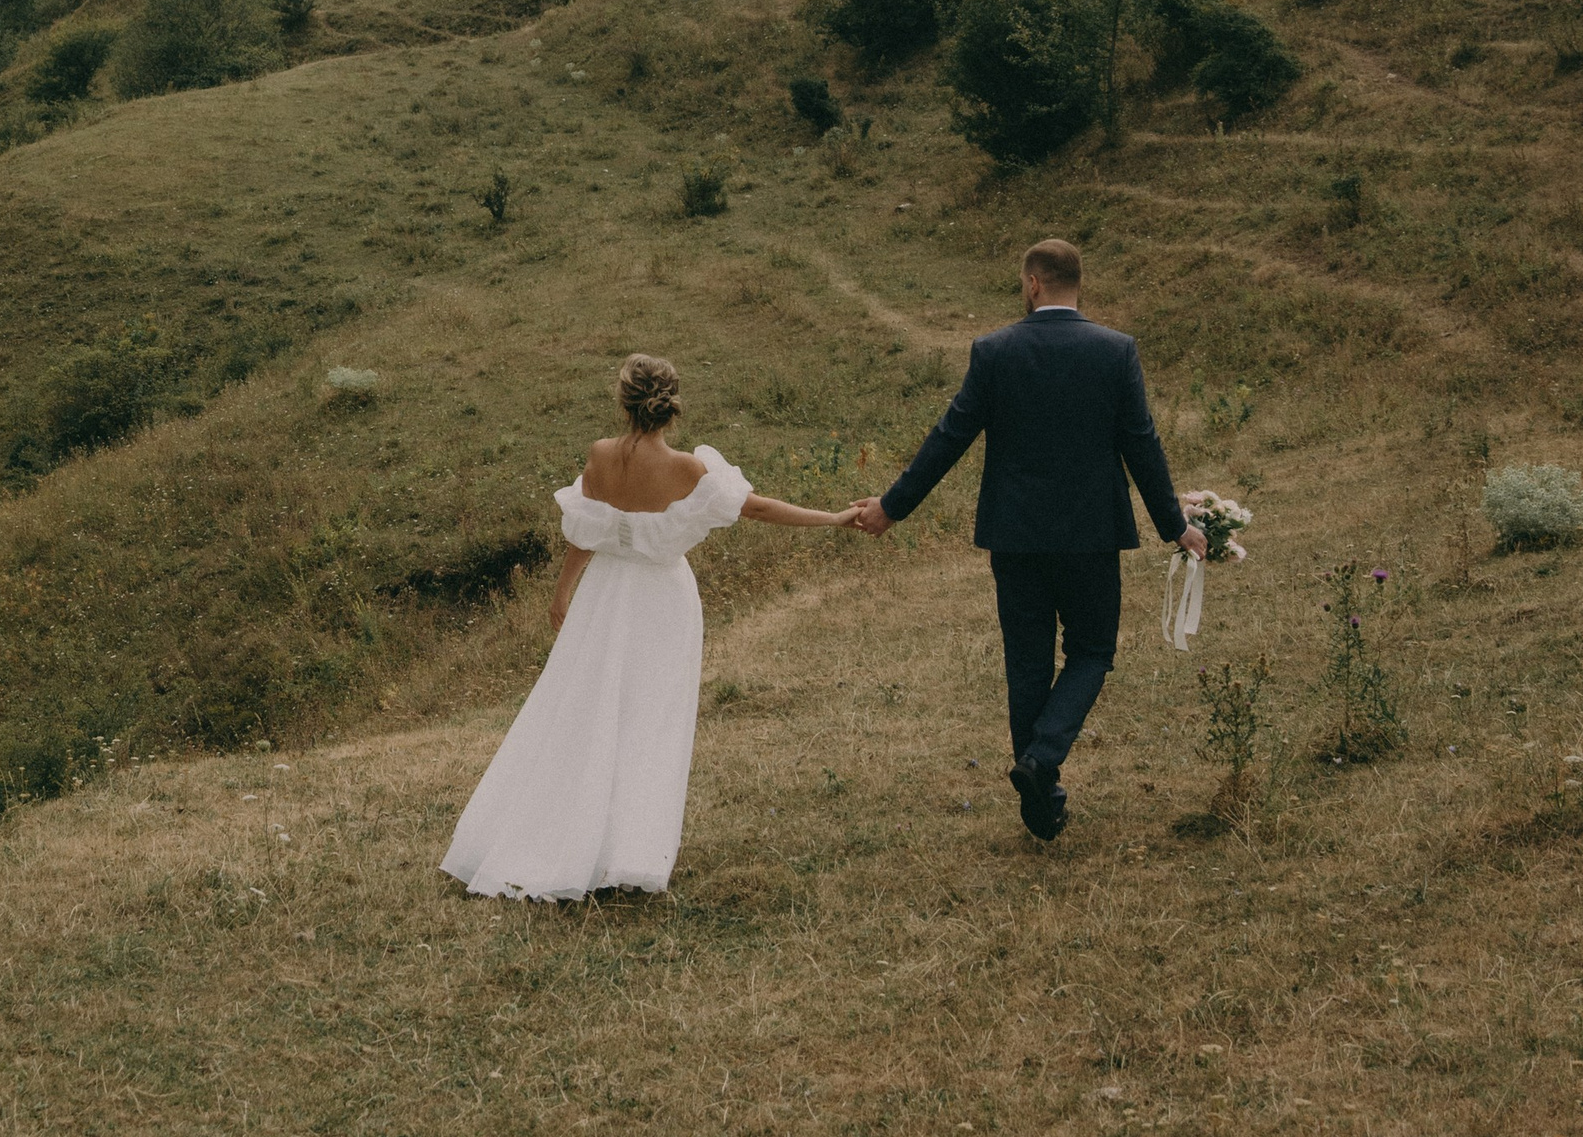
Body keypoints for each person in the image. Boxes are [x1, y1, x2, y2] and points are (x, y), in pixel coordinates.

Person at [441, 351, 852, 902]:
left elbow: (584, 530)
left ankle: (568, 840)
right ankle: (625, 853)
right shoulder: (689, 469)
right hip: (662, 600)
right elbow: (757, 508)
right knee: (647, 723)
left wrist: (563, 591)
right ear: (672, 406)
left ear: (623, 401)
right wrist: (832, 517)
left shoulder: (600, 456)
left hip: (603, 597)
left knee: (580, 712)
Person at [843, 237, 1203, 841]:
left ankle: (1041, 800)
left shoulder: (996, 351)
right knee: (1092, 651)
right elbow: (1141, 441)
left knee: (1027, 660)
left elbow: (949, 436)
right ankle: (1041, 763)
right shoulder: (1116, 352)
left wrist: (892, 507)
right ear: (1074, 283)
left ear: (1033, 284)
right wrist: (1177, 524)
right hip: (1091, 537)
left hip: (1015, 537)